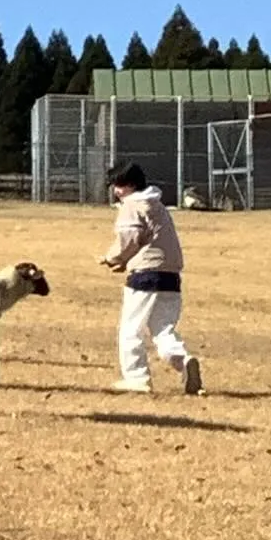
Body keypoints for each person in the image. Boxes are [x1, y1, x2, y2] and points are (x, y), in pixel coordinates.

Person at [98, 161, 203, 395]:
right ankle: (183, 360)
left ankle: (136, 378)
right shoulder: (158, 205)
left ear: (131, 185)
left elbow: (130, 239)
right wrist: (125, 261)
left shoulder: (131, 206)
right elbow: (150, 240)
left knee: (130, 329)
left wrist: (112, 258)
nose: (116, 191)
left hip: (145, 276)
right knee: (163, 328)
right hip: (171, 276)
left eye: (119, 185)